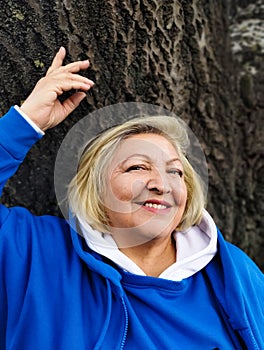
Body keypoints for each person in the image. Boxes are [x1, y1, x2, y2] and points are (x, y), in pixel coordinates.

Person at [0, 47, 263, 350]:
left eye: (175, 172)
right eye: (137, 166)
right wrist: (25, 123)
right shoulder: (33, 252)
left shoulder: (236, 276)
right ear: (95, 187)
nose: (161, 184)